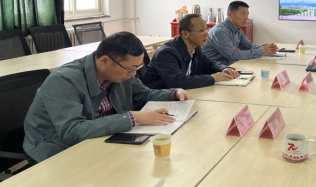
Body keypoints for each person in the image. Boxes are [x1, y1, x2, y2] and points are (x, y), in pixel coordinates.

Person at [24, 32, 193, 162]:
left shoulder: (118, 74)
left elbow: (144, 94)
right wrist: (132, 118)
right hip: (57, 149)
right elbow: (72, 131)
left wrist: (173, 93)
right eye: (129, 69)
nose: (133, 74)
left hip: (100, 140)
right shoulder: (64, 81)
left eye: (136, 68)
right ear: (105, 61)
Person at [143, 14, 239, 89]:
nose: (206, 34)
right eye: (201, 30)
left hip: (183, 95)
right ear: (185, 34)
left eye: (207, 29)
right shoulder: (167, 53)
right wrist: (213, 78)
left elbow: (209, 65)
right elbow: (177, 82)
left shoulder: (196, 48)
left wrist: (224, 68)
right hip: (160, 99)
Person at [202, 1, 278, 66]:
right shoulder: (219, 31)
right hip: (213, 71)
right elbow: (233, 55)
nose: (246, 18)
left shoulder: (237, 28)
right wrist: (261, 51)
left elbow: (248, 46)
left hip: (228, 68)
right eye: (243, 14)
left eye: (247, 14)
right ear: (230, 15)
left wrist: (265, 48)